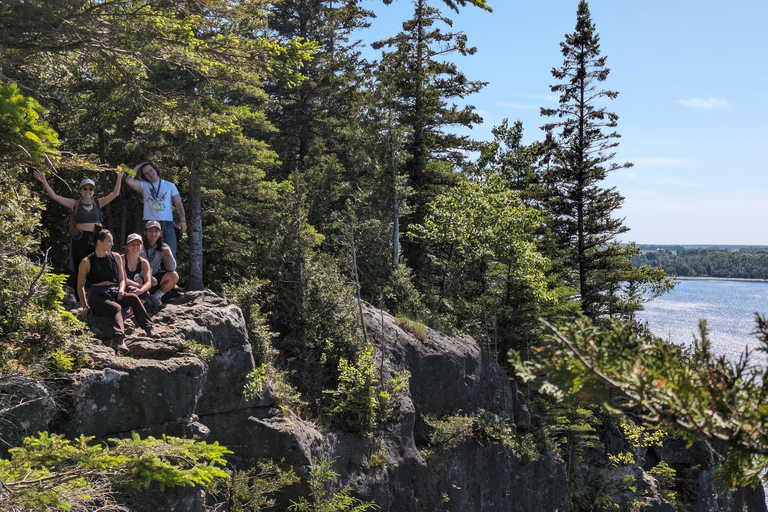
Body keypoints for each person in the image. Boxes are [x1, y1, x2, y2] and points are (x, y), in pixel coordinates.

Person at [33, 169, 123, 286]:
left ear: (93, 191)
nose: (88, 191)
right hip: (80, 238)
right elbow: (55, 196)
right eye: (85, 188)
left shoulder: (98, 203)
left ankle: (95, 291)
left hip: (96, 238)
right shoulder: (75, 204)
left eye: (90, 189)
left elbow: (114, 194)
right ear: (80, 190)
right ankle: (79, 295)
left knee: (97, 262)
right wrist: (44, 181)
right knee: (80, 264)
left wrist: (119, 177)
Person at [77, 227, 156, 352]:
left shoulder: (116, 257)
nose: (112, 244)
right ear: (99, 242)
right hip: (97, 296)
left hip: (114, 291)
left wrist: (121, 289)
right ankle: (119, 339)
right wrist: (85, 306)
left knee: (133, 298)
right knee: (117, 308)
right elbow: (80, 285)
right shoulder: (86, 262)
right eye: (109, 241)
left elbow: (122, 279)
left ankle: (148, 327)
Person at [126, 162, 186, 258]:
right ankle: (147, 272)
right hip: (150, 223)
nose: (150, 174)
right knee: (147, 253)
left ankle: (171, 273)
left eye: (151, 170)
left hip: (167, 223)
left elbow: (179, 204)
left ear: (155, 169)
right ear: (144, 176)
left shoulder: (170, 185)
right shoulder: (144, 185)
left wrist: (183, 220)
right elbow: (129, 180)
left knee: (171, 253)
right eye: (146, 173)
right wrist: (137, 167)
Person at [140, 220, 179, 307]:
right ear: (145, 232)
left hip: (155, 280)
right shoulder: (139, 247)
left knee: (174, 275)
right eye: (150, 231)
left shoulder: (164, 246)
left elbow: (171, 268)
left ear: (160, 233)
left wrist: (168, 255)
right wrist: (149, 277)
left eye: (156, 231)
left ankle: (155, 297)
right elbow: (135, 267)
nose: (153, 234)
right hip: (141, 278)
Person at [122, 233, 151, 305]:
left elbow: (148, 282)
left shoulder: (144, 262)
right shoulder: (121, 259)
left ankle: (130, 312)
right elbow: (124, 279)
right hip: (121, 287)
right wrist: (139, 286)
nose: (135, 247)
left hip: (134, 287)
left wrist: (141, 290)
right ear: (127, 246)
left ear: (142, 246)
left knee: (146, 294)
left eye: (138, 244)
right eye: (132, 244)